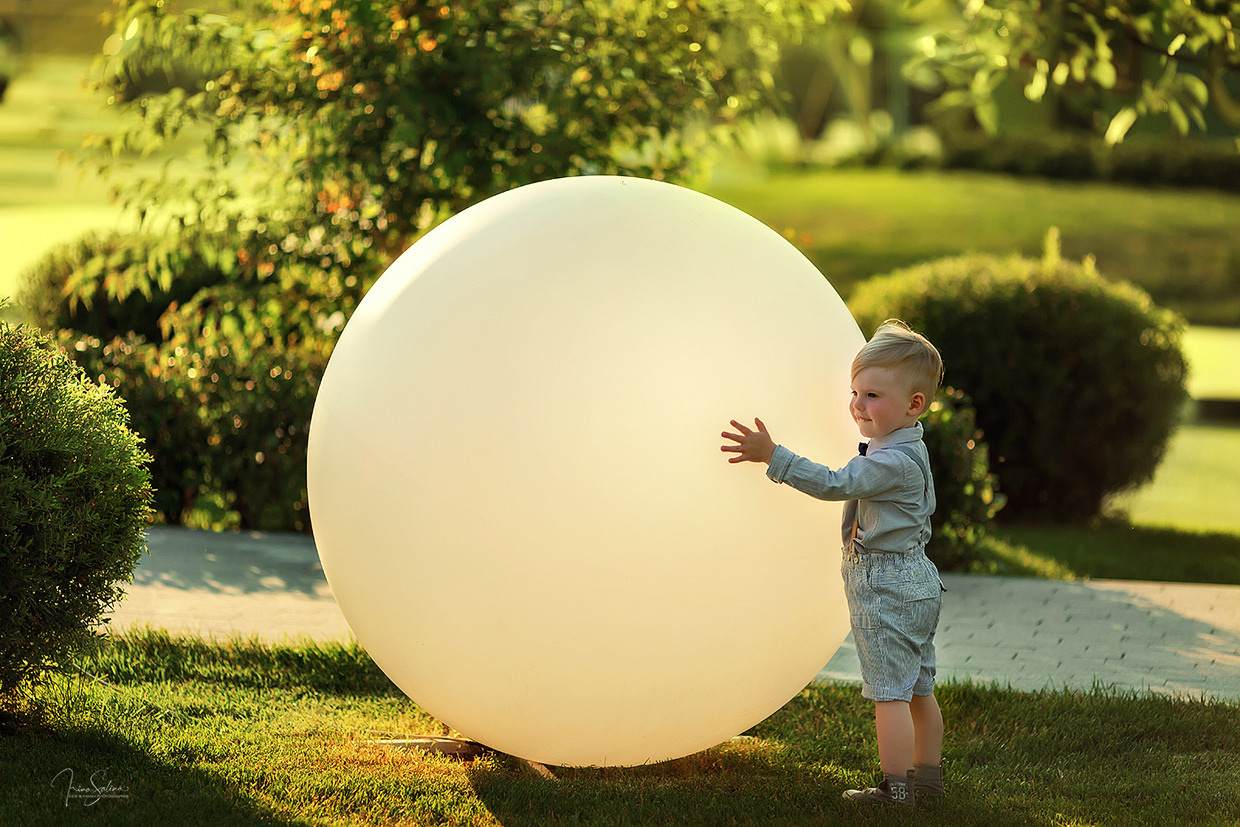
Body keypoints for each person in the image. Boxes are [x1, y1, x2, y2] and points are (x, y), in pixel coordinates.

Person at [720, 319, 946, 807]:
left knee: (890, 693)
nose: (857, 405)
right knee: (918, 687)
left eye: (872, 396)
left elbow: (833, 483)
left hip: (887, 585)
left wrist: (773, 455)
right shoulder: (909, 445)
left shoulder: (888, 462)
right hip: (918, 580)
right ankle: (928, 779)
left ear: (914, 404)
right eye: (855, 392)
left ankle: (896, 790)